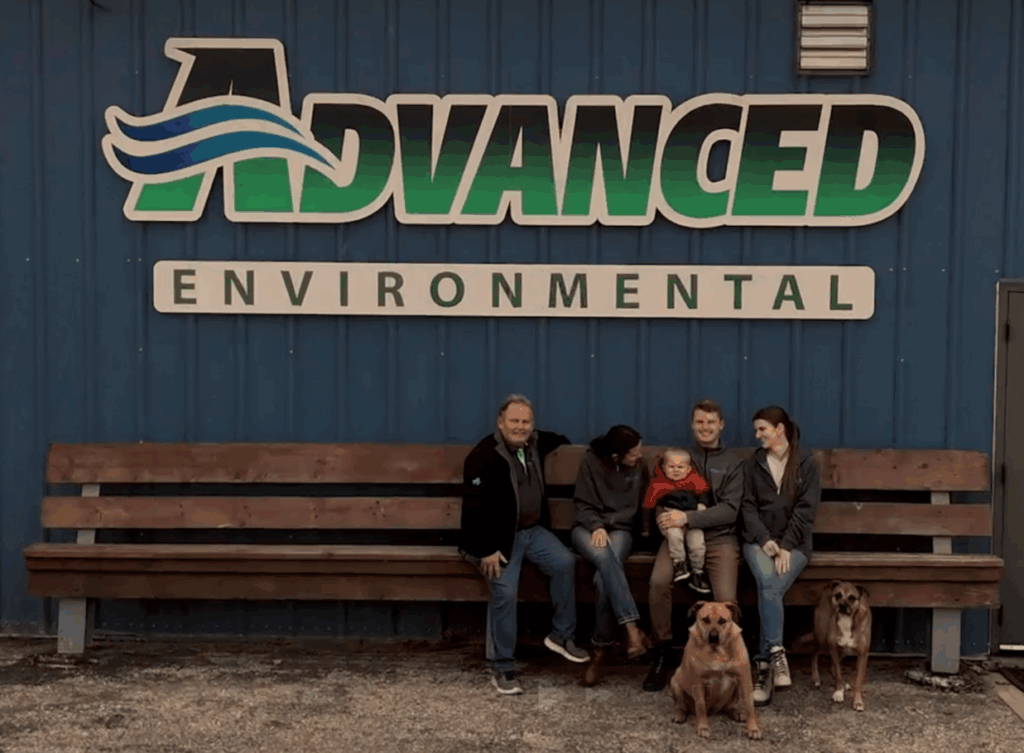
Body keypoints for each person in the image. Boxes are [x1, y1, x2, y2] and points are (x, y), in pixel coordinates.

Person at [459, 394, 590, 696]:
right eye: (514, 421)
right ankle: (503, 666)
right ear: (500, 422)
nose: (520, 427)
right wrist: (485, 549)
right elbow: (473, 509)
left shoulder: (533, 444)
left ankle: (561, 636)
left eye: (526, 422)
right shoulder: (482, 456)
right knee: (504, 591)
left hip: (532, 532)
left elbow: (559, 439)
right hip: (495, 539)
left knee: (565, 562)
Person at [643, 399, 744, 693]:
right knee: (658, 582)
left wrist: (688, 516)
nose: (705, 427)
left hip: (720, 538)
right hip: (680, 537)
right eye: (700, 422)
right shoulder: (678, 458)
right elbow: (658, 495)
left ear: (721, 425)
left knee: (726, 599)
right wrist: (662, 517)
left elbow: (730, 510)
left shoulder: (733, 462)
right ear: (692, 425)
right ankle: (662, 651)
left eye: (711, 422)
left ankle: (730, 657)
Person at [740, 405, 821, 707]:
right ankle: (777, 655)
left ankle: (765, 665)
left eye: (762, 428)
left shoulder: (806, 464)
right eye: (757, 429)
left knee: (770, 587)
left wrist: (786, 544)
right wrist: (765, 540)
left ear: (780, 430)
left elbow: (806, 510)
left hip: (795, 546)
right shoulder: (752, 465)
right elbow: (747, 508)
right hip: (757, 544)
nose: (757, 434)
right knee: (767, 580)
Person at [571, 425, 652, 687]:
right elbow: (582, 504)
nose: (638, 456)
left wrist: (647, 532)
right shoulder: (590, 461)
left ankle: (600, 650)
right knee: (606, 560)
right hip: (587, 529)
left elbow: (647, 501)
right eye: (633, 453)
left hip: (622, 531)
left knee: (602, 578)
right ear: (615, 456)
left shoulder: (639, 466)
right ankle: (632, 629)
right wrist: (596, 525)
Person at [641, 447, 712, 594]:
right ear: (664, 468)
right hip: (669, 517)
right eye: (671, 467)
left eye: (680, 467)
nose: (676, 470)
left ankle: (698, 571)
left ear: (688, 469)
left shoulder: (694, 480)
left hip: (691, 519)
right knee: (675, 535)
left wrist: (702, 504)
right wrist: (645, 529)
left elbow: (705, 493)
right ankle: (679, 564)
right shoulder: (657, 484)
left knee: (697, 542)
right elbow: (647, 506)